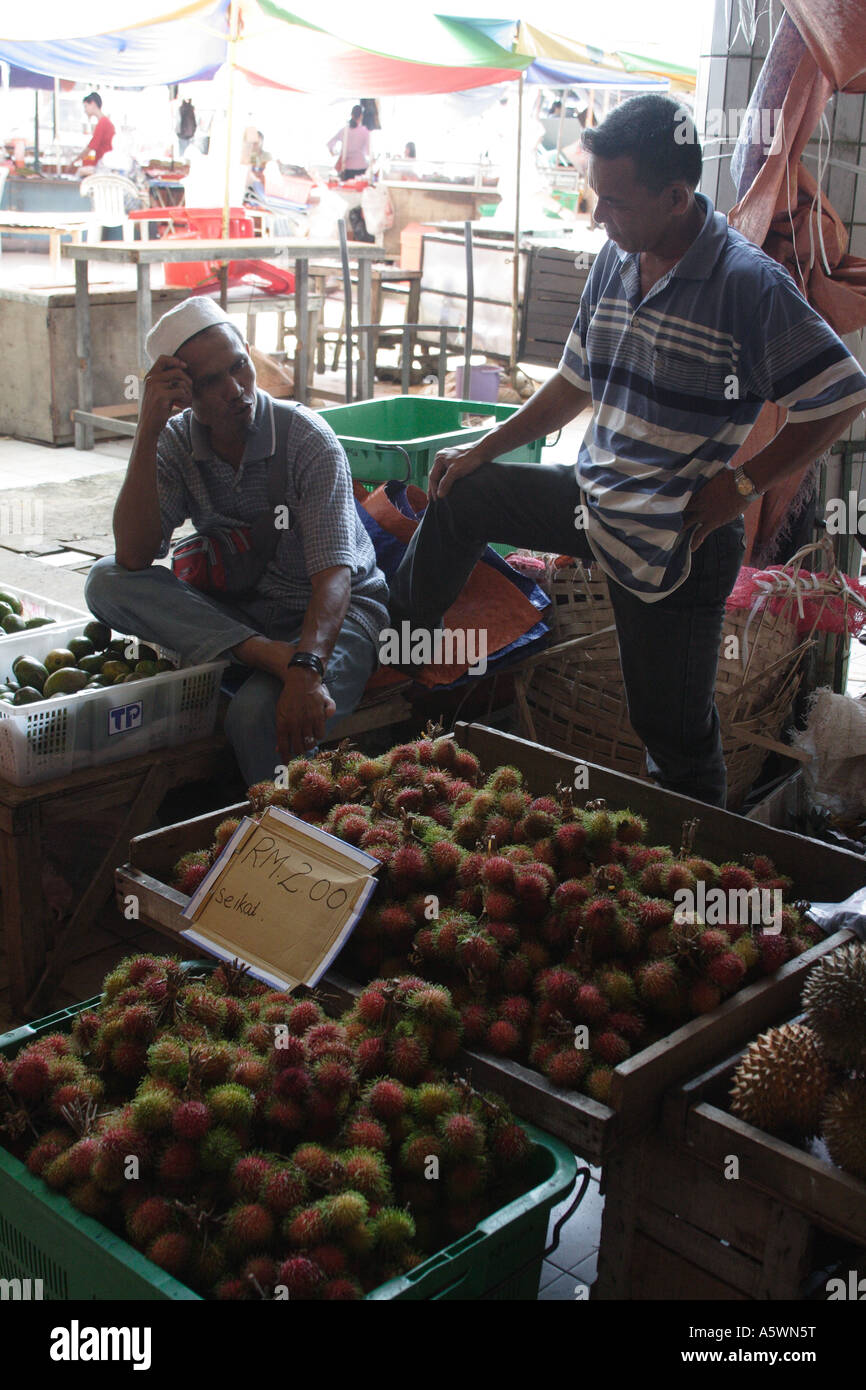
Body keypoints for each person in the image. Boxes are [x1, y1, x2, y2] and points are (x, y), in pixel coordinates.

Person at [390, 94, 866, 808]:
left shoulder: (746, 285)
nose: (597, 218)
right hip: (595, 498)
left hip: (680, 537)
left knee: (671, 733)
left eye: (613, 202)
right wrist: (482, 448)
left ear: (676, 197)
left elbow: (840, 394)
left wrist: (740, 487)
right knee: (466, 494)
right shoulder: (619, 259)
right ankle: (396, 652)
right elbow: (574, 381)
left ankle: (694, 871)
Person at [84, 297, 389, 785]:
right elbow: (134, 556)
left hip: (335, 617)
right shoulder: (176, 442)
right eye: (210, 382)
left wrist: (307, 669)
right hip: (244, 620)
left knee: (252, 716)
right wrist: (147, 428)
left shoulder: (307, 438)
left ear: (249, 355)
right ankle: (262, 654)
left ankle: (285, 845)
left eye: (239, 367)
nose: (235, 390)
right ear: (182, 393)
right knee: (103, 580)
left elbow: (334, 577)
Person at [73, 93, 115, 170]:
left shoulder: (103, 122)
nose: (85, 110)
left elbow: (91, 146)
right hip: (104, 163)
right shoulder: (104, 121)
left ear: (93, 104)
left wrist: (74, 162)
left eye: (85, 106)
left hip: (103, 165)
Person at [327, 105, 370, 181]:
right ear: (361, 116)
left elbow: (330, 144)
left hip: (346, 169)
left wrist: (333, 153)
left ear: (351, 115)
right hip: (361, 168)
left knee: (346, 190)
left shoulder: (344, 130)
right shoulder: (365, 131)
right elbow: (367, 152)